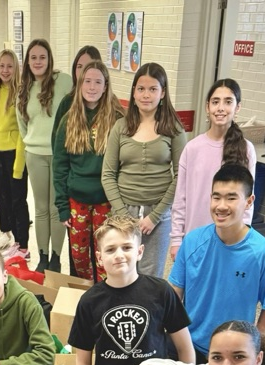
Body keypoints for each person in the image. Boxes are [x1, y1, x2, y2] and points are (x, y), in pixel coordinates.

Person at [69, 214, 194, 365]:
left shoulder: (161, 291)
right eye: (110, 249)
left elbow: (184, 347)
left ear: (140, 251)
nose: (119, 254)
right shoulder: (89, 301)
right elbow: (82, 361)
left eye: (126, 247)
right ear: (100, 257)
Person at [170, 163, 265, 361]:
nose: (221, 206)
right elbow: (174, 295)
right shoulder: (193, 241)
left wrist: (252, 346)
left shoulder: (262, 252)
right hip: (189, 344)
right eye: (216, 197)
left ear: (248, 201)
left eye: (231, 198)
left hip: (233, 351)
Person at [102, 63, 186, 278]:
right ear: (134, 92)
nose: (146, 95)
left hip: (157, 215)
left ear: (163, 93)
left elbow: (181, 176)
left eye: (152, 89)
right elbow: (108, 175)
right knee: (122, 271)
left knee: (150, 276)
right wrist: (122, 215)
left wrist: (155, 217)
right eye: (141, 89)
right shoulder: (121, 127)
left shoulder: (174, 129)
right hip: (123, 212)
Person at [52, 59, 123, 281]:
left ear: (105, 86)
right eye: (87, 81)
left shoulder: (117, 120)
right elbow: (60, 167)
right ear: (80, 84)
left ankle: (106, 296)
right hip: (77, 201)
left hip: (106, 200)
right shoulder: (68, 120)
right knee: (79, 259)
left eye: (98, 82)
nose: (92, 87)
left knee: (105, 255)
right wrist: (63, 207)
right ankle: (86, 298)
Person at [170, 79, 256, 259]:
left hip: (230, 241)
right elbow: (180, 198)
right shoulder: (192, 148)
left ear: (237, 107)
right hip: (195, 239)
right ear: (207, 107)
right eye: (215, 102)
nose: (221, 108)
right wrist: (177, 239)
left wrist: (243, 235)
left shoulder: (246, 149)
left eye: (228, 102)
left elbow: (248, 201)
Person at [16, 40, 73, 273]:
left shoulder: (64, 81)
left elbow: (74, 112)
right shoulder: (24, 88)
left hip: (60, 154)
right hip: (35, 154)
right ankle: (43, 256)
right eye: (33, 58)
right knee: (40, 208)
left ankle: (57, 259)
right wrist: (32, 139)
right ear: (28, 62)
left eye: (42, 57)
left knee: (56, 208)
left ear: (49, 59)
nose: (38, 62)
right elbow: (22, 124)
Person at [0, 49, 29, 257]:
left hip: (15, 154)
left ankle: (23, 245)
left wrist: (19, 165)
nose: (5, 70)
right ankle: (10, 236)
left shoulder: (21, 93)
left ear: (16, 69)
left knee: (17, 200)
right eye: (1, 66)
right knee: (2, 198)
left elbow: (23, 131)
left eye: (9, 66)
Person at [51, 44, 103, 147]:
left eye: (88, 66)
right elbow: (56, 140)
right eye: (79, 67)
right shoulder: (67, 102)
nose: (83, 71)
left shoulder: (109, 103)